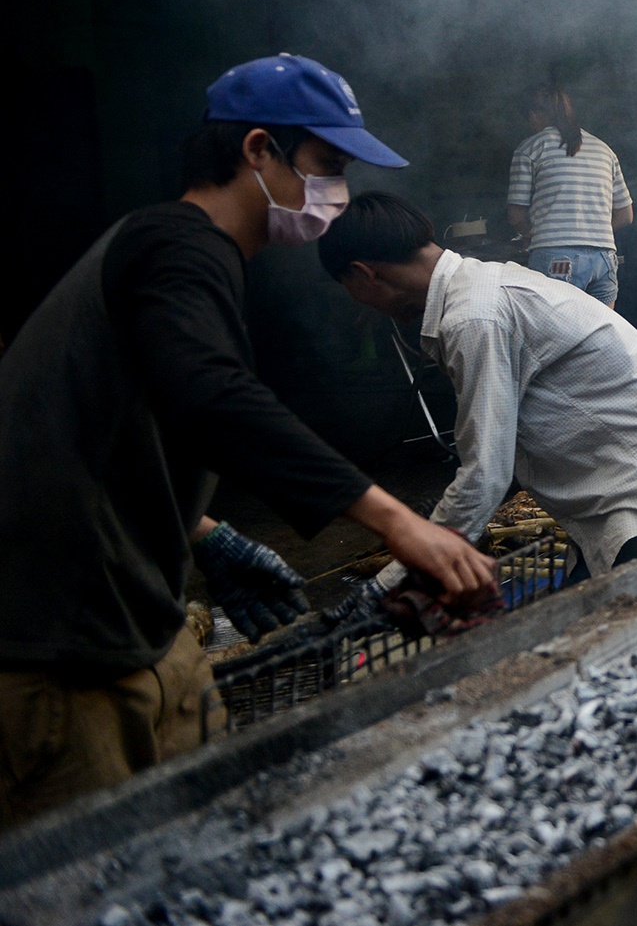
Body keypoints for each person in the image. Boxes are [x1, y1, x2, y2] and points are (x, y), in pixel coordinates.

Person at [0, 55, 497, 829]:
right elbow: (214, 397)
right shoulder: (176, 244)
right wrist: (402, 524)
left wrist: (204, 532)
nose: (335, 189)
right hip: (59, 650)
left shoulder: (189, 262)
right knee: (98, 876)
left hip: (139, 623)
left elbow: (114, 427)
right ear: (259, 150)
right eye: (327, 165)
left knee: (207, 838)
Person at [322, 193, 637, 584]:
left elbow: (485, 475)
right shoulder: (483, 286)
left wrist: (388, 583)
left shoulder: (474, 317)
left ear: (362, 274)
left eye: (348, 289)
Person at [507, 85, 633, 308]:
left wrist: (531, 234)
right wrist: (592, 231)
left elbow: (516, 215)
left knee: (557, 338)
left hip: (556, 259)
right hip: (604, 259)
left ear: (534, 115)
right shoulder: (604, 150)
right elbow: (625, 215)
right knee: (600, 335)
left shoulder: (530, 149)